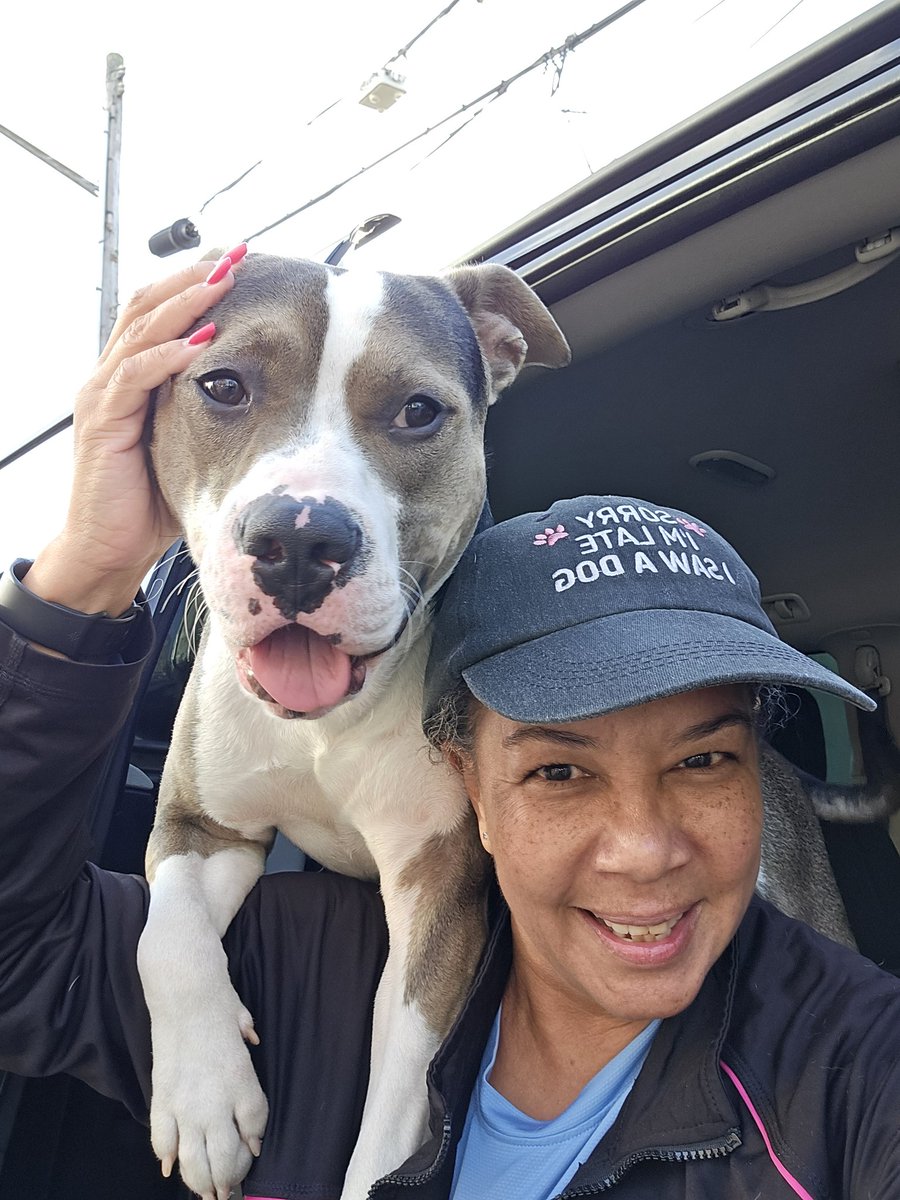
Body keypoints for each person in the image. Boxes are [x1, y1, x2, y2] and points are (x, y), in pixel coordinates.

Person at [1, 258, 898, 1200]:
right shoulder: (300, 961)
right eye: (561, 769)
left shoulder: (845, 1071)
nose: (642, 848)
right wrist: (88, 571)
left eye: (706, 759)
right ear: (467, 766)